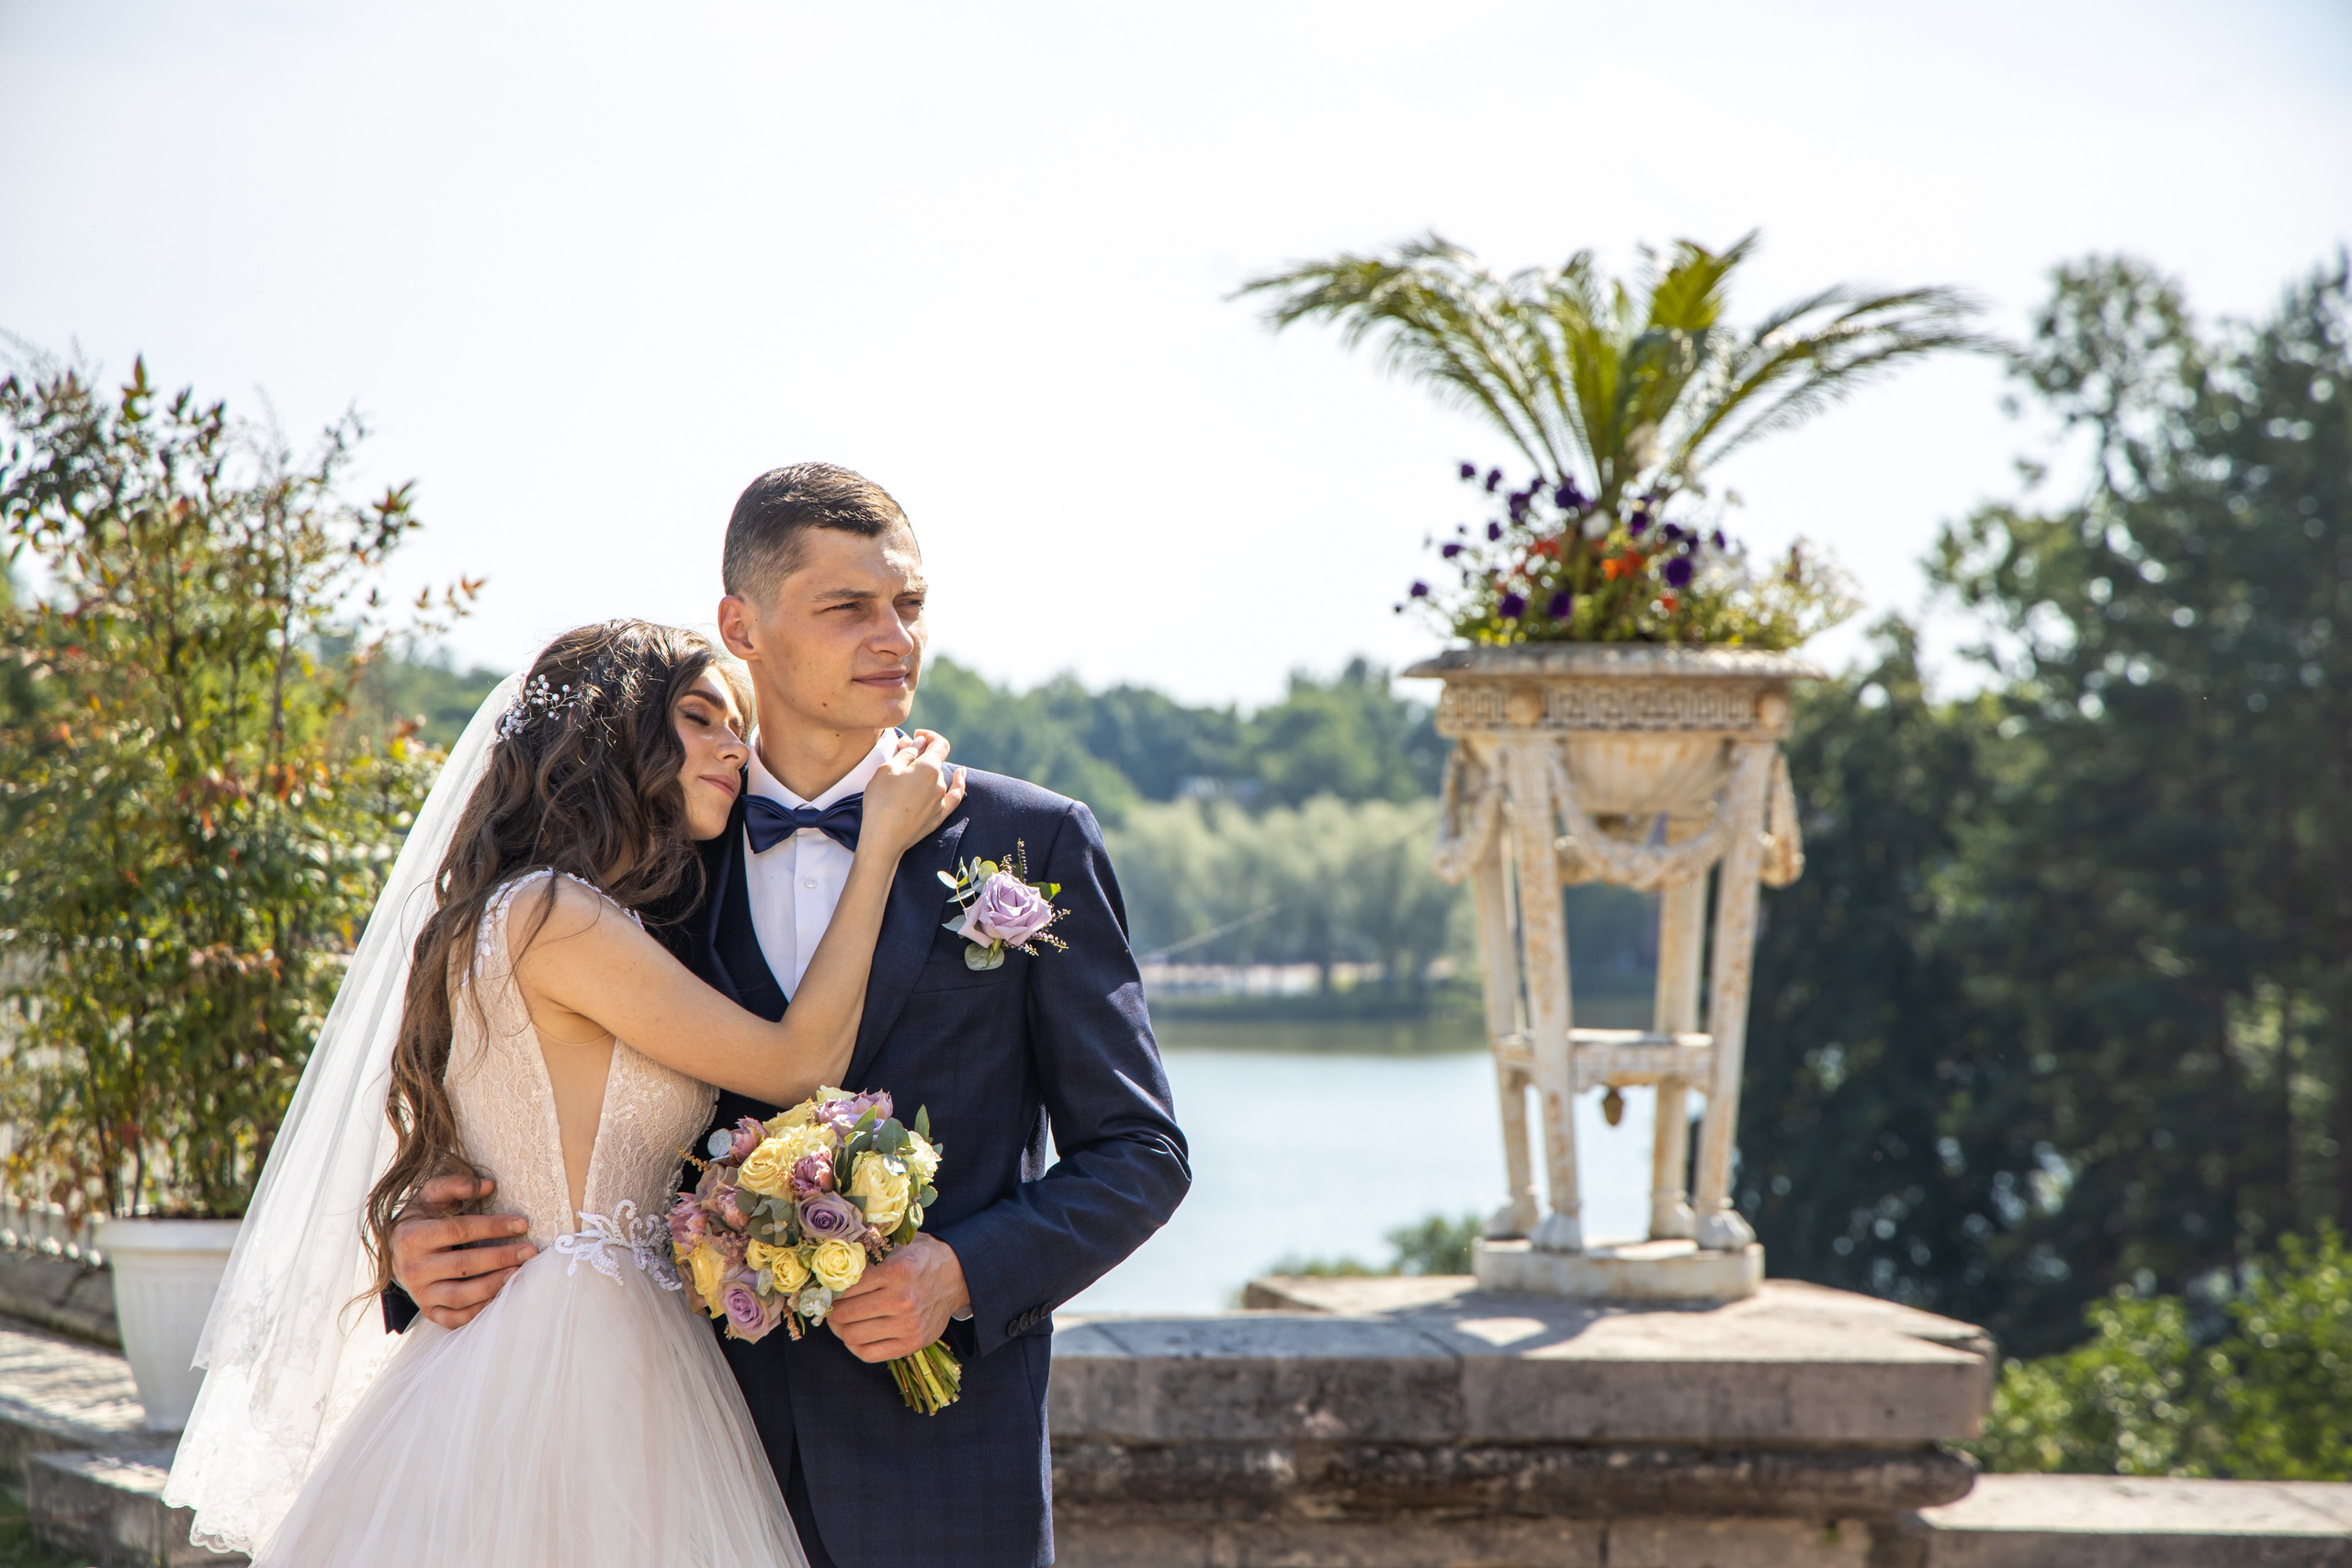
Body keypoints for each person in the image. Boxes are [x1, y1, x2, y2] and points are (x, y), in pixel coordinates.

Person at [386, 464, 1193, 1567]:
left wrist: (957, 1273)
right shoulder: (649, 860)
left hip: (946, 1464)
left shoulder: (1032, 842)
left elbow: (1139, 1153)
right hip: (666, 1452)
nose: (893, 638)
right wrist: (414, 1244)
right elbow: (502, 1086)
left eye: (908, 605)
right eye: (848, 607)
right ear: (742, 625)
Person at [166, 619, 966, 1563]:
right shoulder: (554, 913)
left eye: (738, 727)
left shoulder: (549, 909)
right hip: (570, 1350)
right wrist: (877, 849)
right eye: (702, 719)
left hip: (589, 1332)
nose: (733, 749)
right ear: (618, 734)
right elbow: (796, 1065)